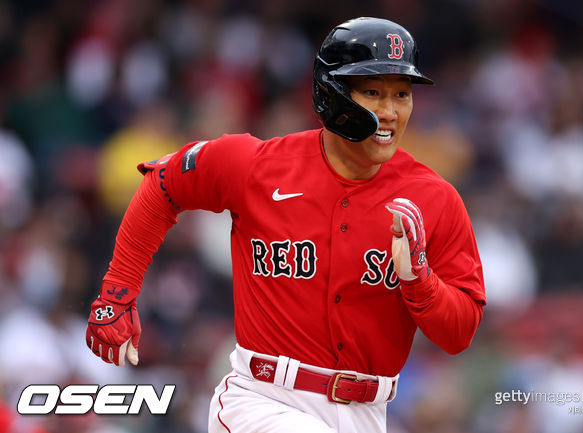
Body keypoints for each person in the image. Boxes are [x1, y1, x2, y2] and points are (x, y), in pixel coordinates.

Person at [86, 17, 486, 433]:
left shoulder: (433, 198)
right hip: (263, 399)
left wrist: (420, 282)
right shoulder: (256, 165)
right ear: (331, 94)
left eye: (401, 95)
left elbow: (459, 334)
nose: (389, 112)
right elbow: (163, 185)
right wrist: (119, 291)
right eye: (372, 93)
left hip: (368, 414)